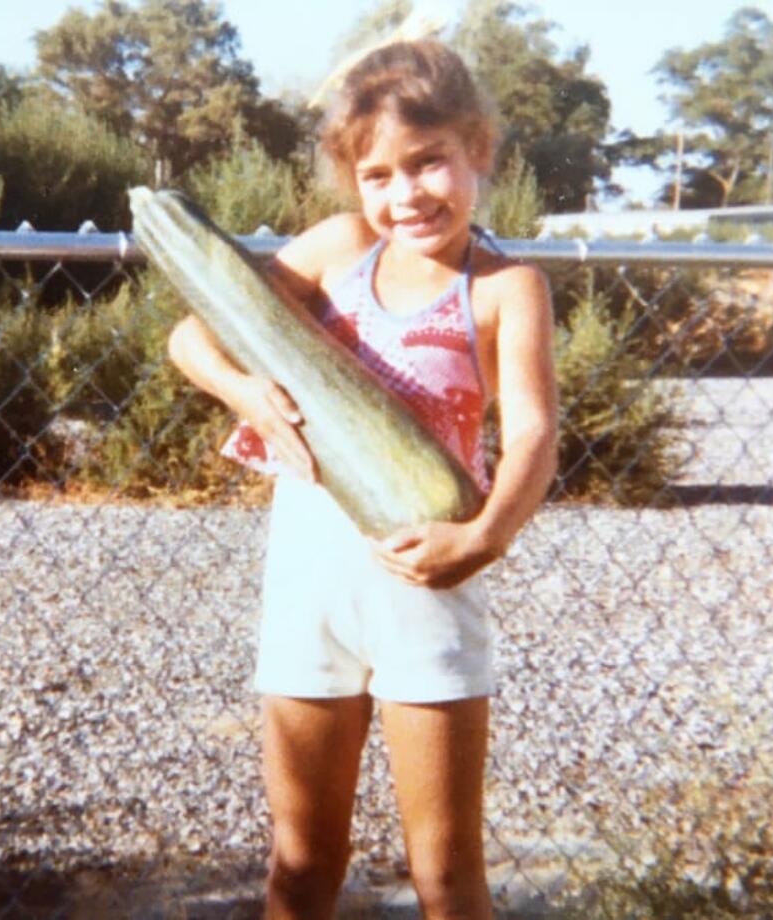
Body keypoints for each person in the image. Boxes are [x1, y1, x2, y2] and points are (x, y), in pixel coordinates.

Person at [167, 38, 557, 920]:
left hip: (428, 580)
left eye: (429, 164)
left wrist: (483, 537)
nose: (406, 193)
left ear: (478, 152)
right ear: (354, 183)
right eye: (378, 175)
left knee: (447, 878)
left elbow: (535, 435)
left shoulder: (506, 289)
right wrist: (246, 393)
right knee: (302, 865)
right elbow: (193, 335)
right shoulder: (339, 249)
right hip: (308, 582)